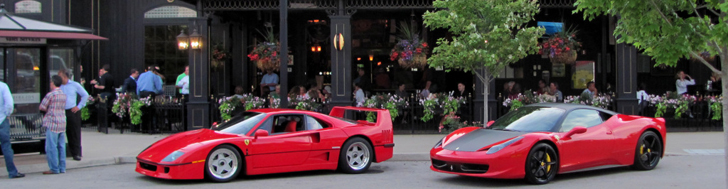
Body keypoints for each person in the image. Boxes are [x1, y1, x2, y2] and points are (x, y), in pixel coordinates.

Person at [58, 68, 89, 161]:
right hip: (60, 111)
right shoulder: (58, 86)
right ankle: (60, 153)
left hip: (71, 110)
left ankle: (75, 153)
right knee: (59, 132)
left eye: (60, 77)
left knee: (72, 133)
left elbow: (85, 95)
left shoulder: (74, 85)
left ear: (65, 77)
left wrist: (79, 106)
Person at [39, 75, 67, 175]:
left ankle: (54, 168)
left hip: (52, 122)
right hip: (62, 121)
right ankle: (62, 167)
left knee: (51, 146)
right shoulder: (63, 94)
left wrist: (49, 109)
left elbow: (42, 107)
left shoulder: (51, 95)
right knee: (61, 146)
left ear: (53, 83)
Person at [0, 81, 24, 178]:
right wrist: (7, 114)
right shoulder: (3, 86)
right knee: (6, 147)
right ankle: (12, 172)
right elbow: (9, 104)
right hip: (2, 120)